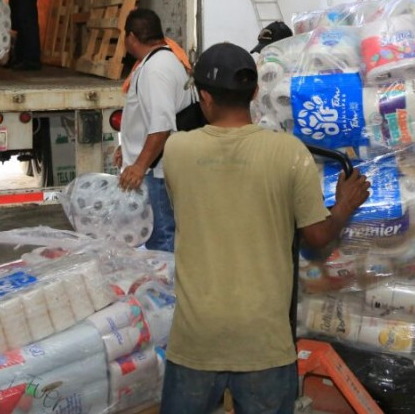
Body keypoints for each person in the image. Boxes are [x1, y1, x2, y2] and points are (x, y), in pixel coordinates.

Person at [159, 42, 370, 414]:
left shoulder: (177, 151)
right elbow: (318, 237)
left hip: (196, 338)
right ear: (256, 93)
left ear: (204, 96)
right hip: (264, 342)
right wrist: (344, 205)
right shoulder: (289, 153)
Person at [116, 9, 193, 252]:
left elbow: (162, 126)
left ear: (131, 37)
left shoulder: (156, 69)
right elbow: (149, 118)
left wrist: (139, 165)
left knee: (162, 240)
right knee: (158, 239)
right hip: (154, 167)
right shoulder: (160, 60)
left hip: (155, 172)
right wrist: (127, 145)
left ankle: (168, 289)